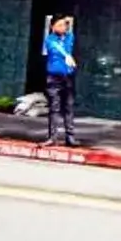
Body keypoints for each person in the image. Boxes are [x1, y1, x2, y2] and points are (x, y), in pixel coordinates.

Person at [42, 12, 79, 145]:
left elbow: (69, 26)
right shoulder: (50, 39)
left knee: (69, 107)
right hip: (54, 78)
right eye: (60, 25)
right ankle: (52, 137)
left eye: (65, 25)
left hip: (68, 77)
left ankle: (70, 137)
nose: (63, 27)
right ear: (53, 27)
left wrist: (67, 22)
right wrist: (66, 56)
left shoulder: (69, 37)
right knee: (54, 108)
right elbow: (56, 48)